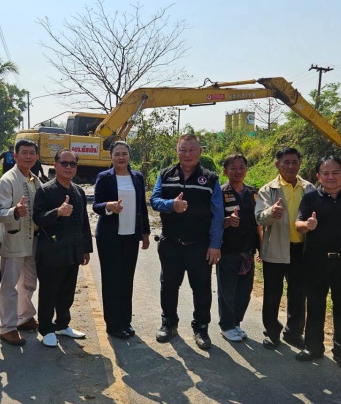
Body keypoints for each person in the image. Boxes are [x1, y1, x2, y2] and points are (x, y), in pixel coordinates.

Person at [294, 155, 341, 373]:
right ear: (318, 176)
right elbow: (298, 225)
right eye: (325, 173)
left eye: (335, 172)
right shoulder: (310, 198)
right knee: (315, 305)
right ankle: (313, 347)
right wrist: (308, 225)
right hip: (315, 260)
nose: (331, 177)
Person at [150, 134, 223, 350]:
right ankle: (169, 323)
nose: (187, 154)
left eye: (192, 150)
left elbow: (218, 214)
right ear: (177, 151)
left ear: (200, 151)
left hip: (199, 246)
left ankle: (201, 328)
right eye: (183, 150)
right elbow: (154, 200)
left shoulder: (210, 179)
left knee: (201, 288)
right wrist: (171, 205)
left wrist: (215, 245)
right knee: (168, 285)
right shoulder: (165, 175)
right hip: (171, 243)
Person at [255, 147, 315, 350]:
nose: (290, 166)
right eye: (286, 162)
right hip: (275, 248)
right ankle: (272, 333)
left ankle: (294, 332)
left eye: (294, 162)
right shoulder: (268, 190)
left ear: (300, 164)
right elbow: (259, 217)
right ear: (277, 164)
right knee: (272, 294)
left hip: (301, 249)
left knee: (298, 294)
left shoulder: (309, 188)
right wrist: (272, 212)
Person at [32, 149, 93, 348]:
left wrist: (86, 249)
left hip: (72, 252)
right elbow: (37, 218)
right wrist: (57, 212)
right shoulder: (45, 190)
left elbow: (84, 222)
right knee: (49, 293)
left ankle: (62, 324)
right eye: (64, 163)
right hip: (51, 253)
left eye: (72, 164)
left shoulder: (79, 191)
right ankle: (46, 329)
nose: (68, 167)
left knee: (67, 292)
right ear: (55, 165)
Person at [92, 141, 151, 339]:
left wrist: (145, 233)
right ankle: (114, 325)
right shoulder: (104, 177)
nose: (121, 157)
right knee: (111, 280)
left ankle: (126, 321)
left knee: (126, 280)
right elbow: (96, 205)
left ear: (129, 156)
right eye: (117, 154)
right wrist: (108, 206)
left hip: (131, 236)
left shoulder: (137, 177)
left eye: (124, 153)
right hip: (109, 237)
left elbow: (142, 207)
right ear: (111, 157)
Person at [0, 139, 42, 346]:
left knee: (29, 282)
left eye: (32, 153)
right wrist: (15, 211)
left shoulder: (35, 179)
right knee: (10, 285)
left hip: (33, 240)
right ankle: (7, 327)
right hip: (13, 239)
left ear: (37, 157)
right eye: (24, 152)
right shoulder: (7, 180)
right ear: (15, 156)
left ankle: (24, 317)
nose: (28, 156)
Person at [216, 154, 260, 342]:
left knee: (244, 291)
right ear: (225, 171)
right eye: (233, 168)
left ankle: (236, 323)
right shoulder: (219, 193)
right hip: (228, 250)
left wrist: (260, 247)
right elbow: (212, 221)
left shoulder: (253, 193)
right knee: (227, 290)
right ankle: (226, 325)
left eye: (241, 167)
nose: (238, 171)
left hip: (248, 250)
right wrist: (227, 221)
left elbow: (258, 222)